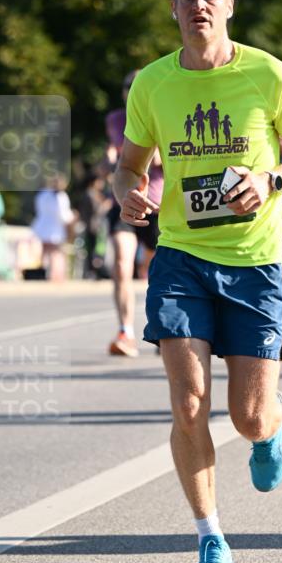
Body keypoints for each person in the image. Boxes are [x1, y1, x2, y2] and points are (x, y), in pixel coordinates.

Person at [113, 0, 282, 563]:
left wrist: (270, 178)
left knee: (248, 416)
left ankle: (271, 427)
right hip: (180, 256)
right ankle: (211, 539)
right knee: (188, 403)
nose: (198, 5)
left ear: (228, 5)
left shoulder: (267, 74)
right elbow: (130, 162)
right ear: (172, 8)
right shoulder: (152, 83)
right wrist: (127, 190)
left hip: (255, 261)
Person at [106, 71, 165, 357]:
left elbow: (161, 160)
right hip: (125, 201)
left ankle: (161, 327)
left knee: (160, 273)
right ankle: (125, 330)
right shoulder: (117, 119)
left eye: (138, 88)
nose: (132, 92)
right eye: (129, 88)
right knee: (120, 262)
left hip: (157, 205)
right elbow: (129, 156)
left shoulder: (167, 113)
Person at [31, 174, 75, 281]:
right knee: (56, 252)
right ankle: (55, 275)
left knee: (45, 252)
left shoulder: (43, 194)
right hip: (55, 229)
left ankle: (44, 273)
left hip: (42, 228)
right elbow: (64, 216)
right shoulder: (61, 197)